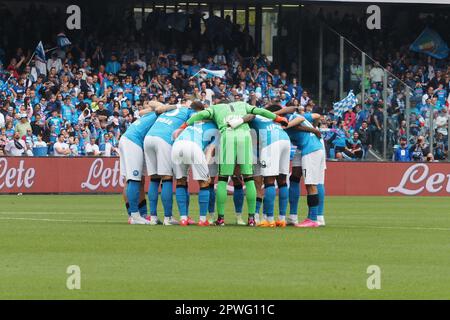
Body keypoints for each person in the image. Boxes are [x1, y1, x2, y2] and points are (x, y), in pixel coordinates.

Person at [177, 98, 288, 226]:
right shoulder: (242, 104)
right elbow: (260, 111)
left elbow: (200, 114)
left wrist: (184, 125)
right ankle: (251, 219)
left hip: (228, 136)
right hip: (244, 137)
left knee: (223, 179)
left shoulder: (215, 108)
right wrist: (278, 119)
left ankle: (221, 218)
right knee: (249, 178)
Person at [144, 100, 196, 226]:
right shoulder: (189, 111)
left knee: (154, 179)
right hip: (164, 139)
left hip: (148, 138)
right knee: (167, 178)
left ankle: (153, 217)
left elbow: (153, 105)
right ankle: (168, 217)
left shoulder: (169, 108)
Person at [171, 101, 219, 226]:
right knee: (204, 182)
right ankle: (203, 220)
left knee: (181, 181)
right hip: (193, 147)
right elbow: (210, 150)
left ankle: (183, 218)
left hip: (177, 146)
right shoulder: (215, 128)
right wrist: (206, 169)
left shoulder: (191, 122)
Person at [247, 105, 291, 227]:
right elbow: (291, 109)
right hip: (285, 141)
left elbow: (249, 117)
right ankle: (282, 218)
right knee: (282, 181)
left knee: (269, 181)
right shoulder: (274, 118)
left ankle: (269, 219)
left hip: (271, 143)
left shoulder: (257, 117)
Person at [285, 110, 326, 228]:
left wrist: (313, 130)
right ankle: (293, 216)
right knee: (294, 177)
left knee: (312, 183)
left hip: (311, 147)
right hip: (306, 145)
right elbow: (317, 115)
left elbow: (300, 120)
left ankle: (314, 218)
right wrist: (314, 128)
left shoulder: (291, 119)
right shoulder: (299, 116)